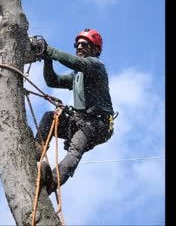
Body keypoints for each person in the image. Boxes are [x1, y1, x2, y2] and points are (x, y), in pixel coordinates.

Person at [30, 28, 115, 195]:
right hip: (82, 121)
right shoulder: (77, 75)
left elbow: (77, 62)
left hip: (99, 122)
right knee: (49, 117)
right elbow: (52, 81)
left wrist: (49, 50)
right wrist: (47, 59)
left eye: (85, 44)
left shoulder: (96, 66)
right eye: (78, 44)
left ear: (96, 50)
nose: (80, 47)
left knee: (76, 147)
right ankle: (38, 149)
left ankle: (53, 181)